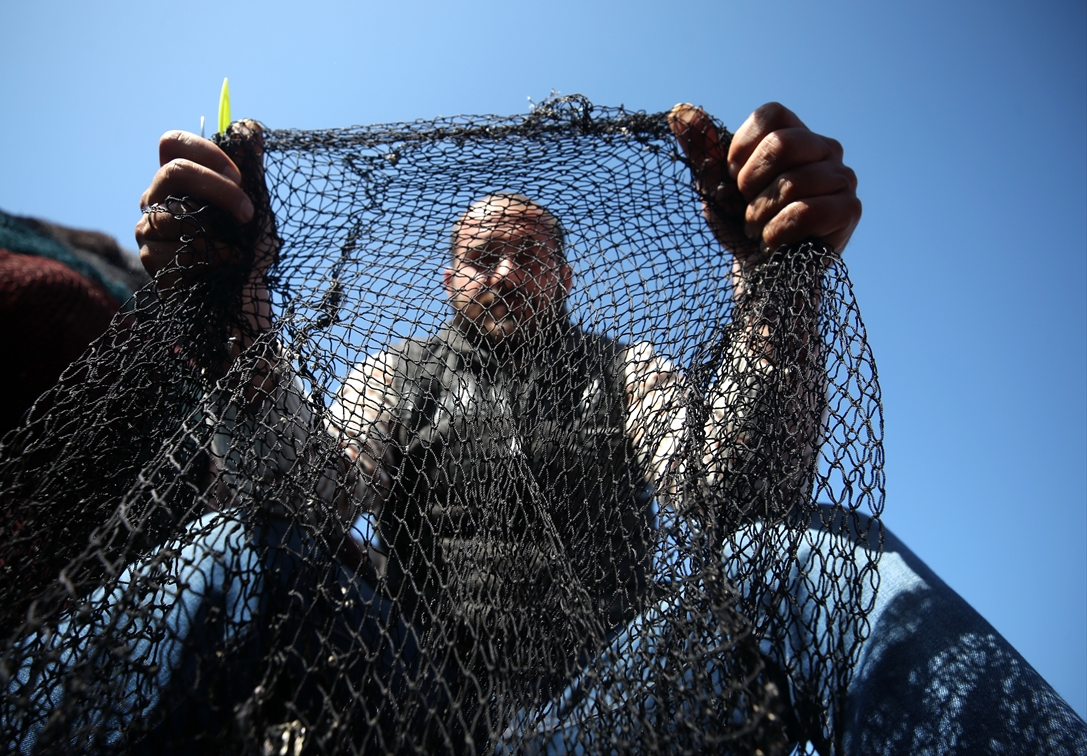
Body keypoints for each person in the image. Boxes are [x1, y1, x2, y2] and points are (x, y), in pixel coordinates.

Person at [127, 101, 1087, 754]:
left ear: (568, 277)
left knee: (799, 555)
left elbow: (735, 493)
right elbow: (309, 496)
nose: (507, 273)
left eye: (531, 255)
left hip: (620, 714)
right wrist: (238, 342)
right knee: (233, 544)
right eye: (482, 257)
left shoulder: (624, 369)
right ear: (448, 279)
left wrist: (777, 290)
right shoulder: (397, 373)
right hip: (404, 718)